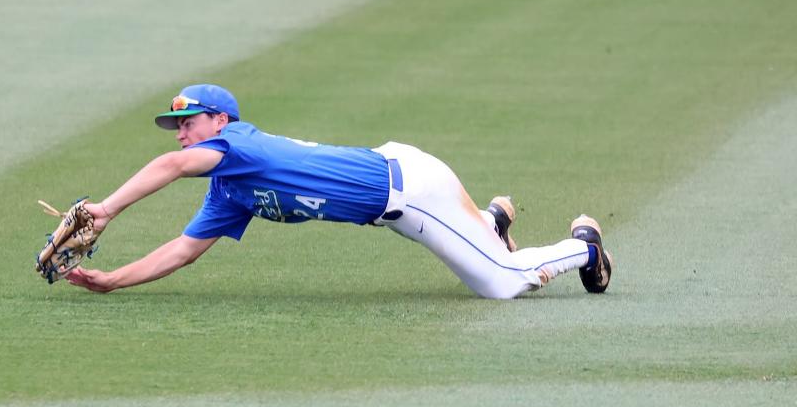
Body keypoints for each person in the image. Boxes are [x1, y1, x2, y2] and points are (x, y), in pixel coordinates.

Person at [65, 84, 612, 299]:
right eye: (175, 126)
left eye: (188, 123)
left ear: (220, 120)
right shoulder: (228, 190)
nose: (181, 132)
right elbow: (181, 251)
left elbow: (171, 165)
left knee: (504, 284)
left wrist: (107, 209)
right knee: (491, 269)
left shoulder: (240, 143)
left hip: (416, 191)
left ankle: (585, 246)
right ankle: (491, 225)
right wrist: (112, 280)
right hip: (401, 199)